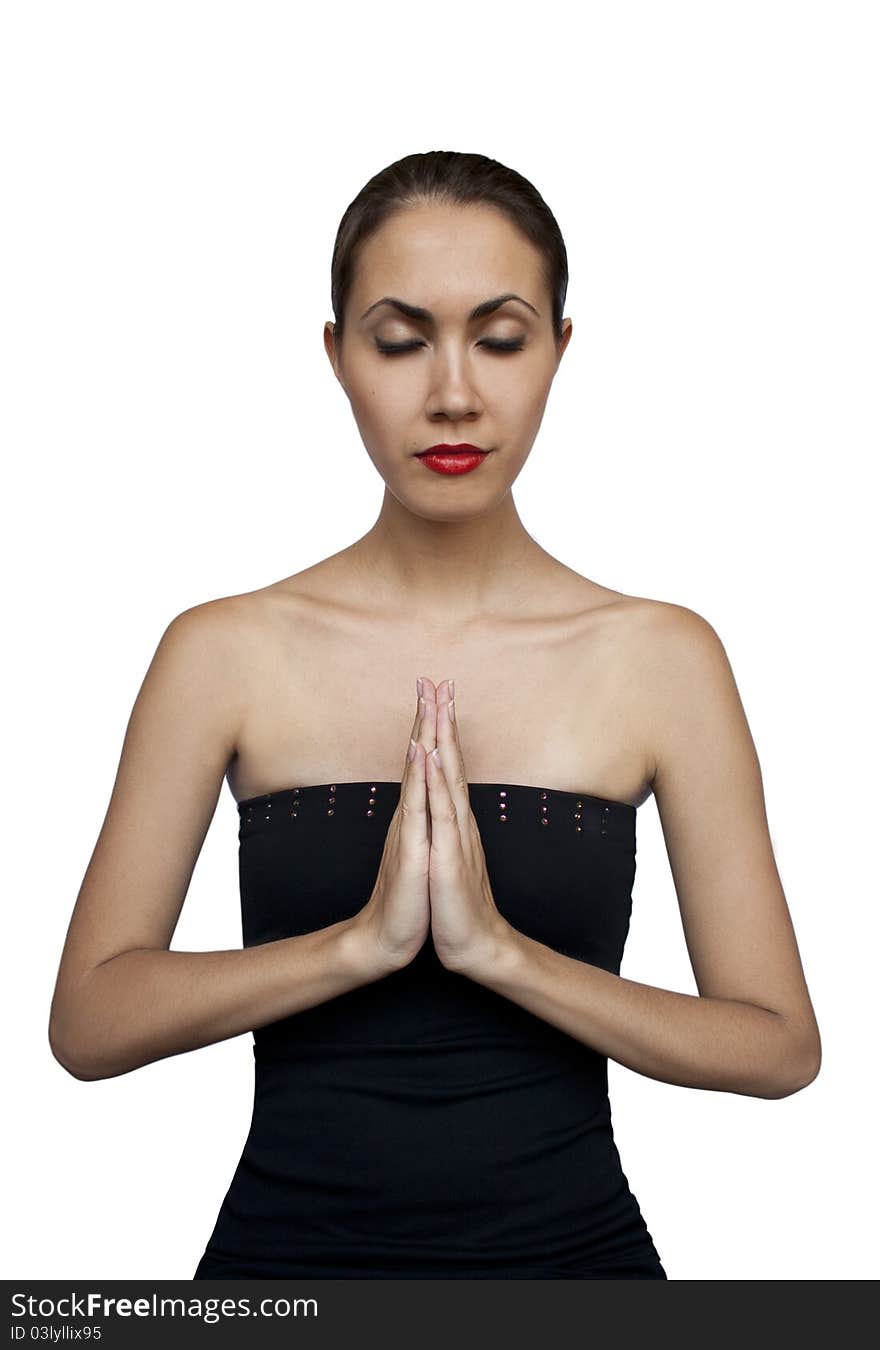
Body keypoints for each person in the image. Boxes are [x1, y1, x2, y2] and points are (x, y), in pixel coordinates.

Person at [48, 150, 822, 1280]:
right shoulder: (221, 651)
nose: (451, 392)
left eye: (500, 339)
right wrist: (357, 946)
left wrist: (501, 956)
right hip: (281, 1277)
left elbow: (777, 1043)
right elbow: (90, 1019)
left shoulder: (661, 658)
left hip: (578, 1271)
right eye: (399, 339)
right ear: (336, 356)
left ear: (561, 350)